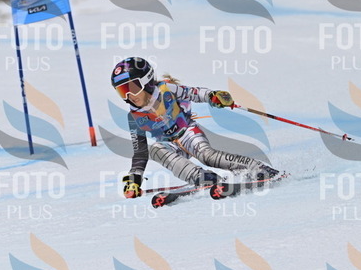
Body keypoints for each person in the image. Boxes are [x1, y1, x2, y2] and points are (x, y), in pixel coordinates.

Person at [111, 57, 280, 198]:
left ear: (147, 81)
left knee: (207, 156)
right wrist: (134, 179)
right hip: (168, 145)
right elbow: (140, 152)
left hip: (187, 132)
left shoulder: (165, 89)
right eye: (122, 92)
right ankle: (203, 178)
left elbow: (192, 92)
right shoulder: (134, 117)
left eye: (131, 88)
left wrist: (212, 96)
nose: (129, 96)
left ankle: (257, 168)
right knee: (154, 149)